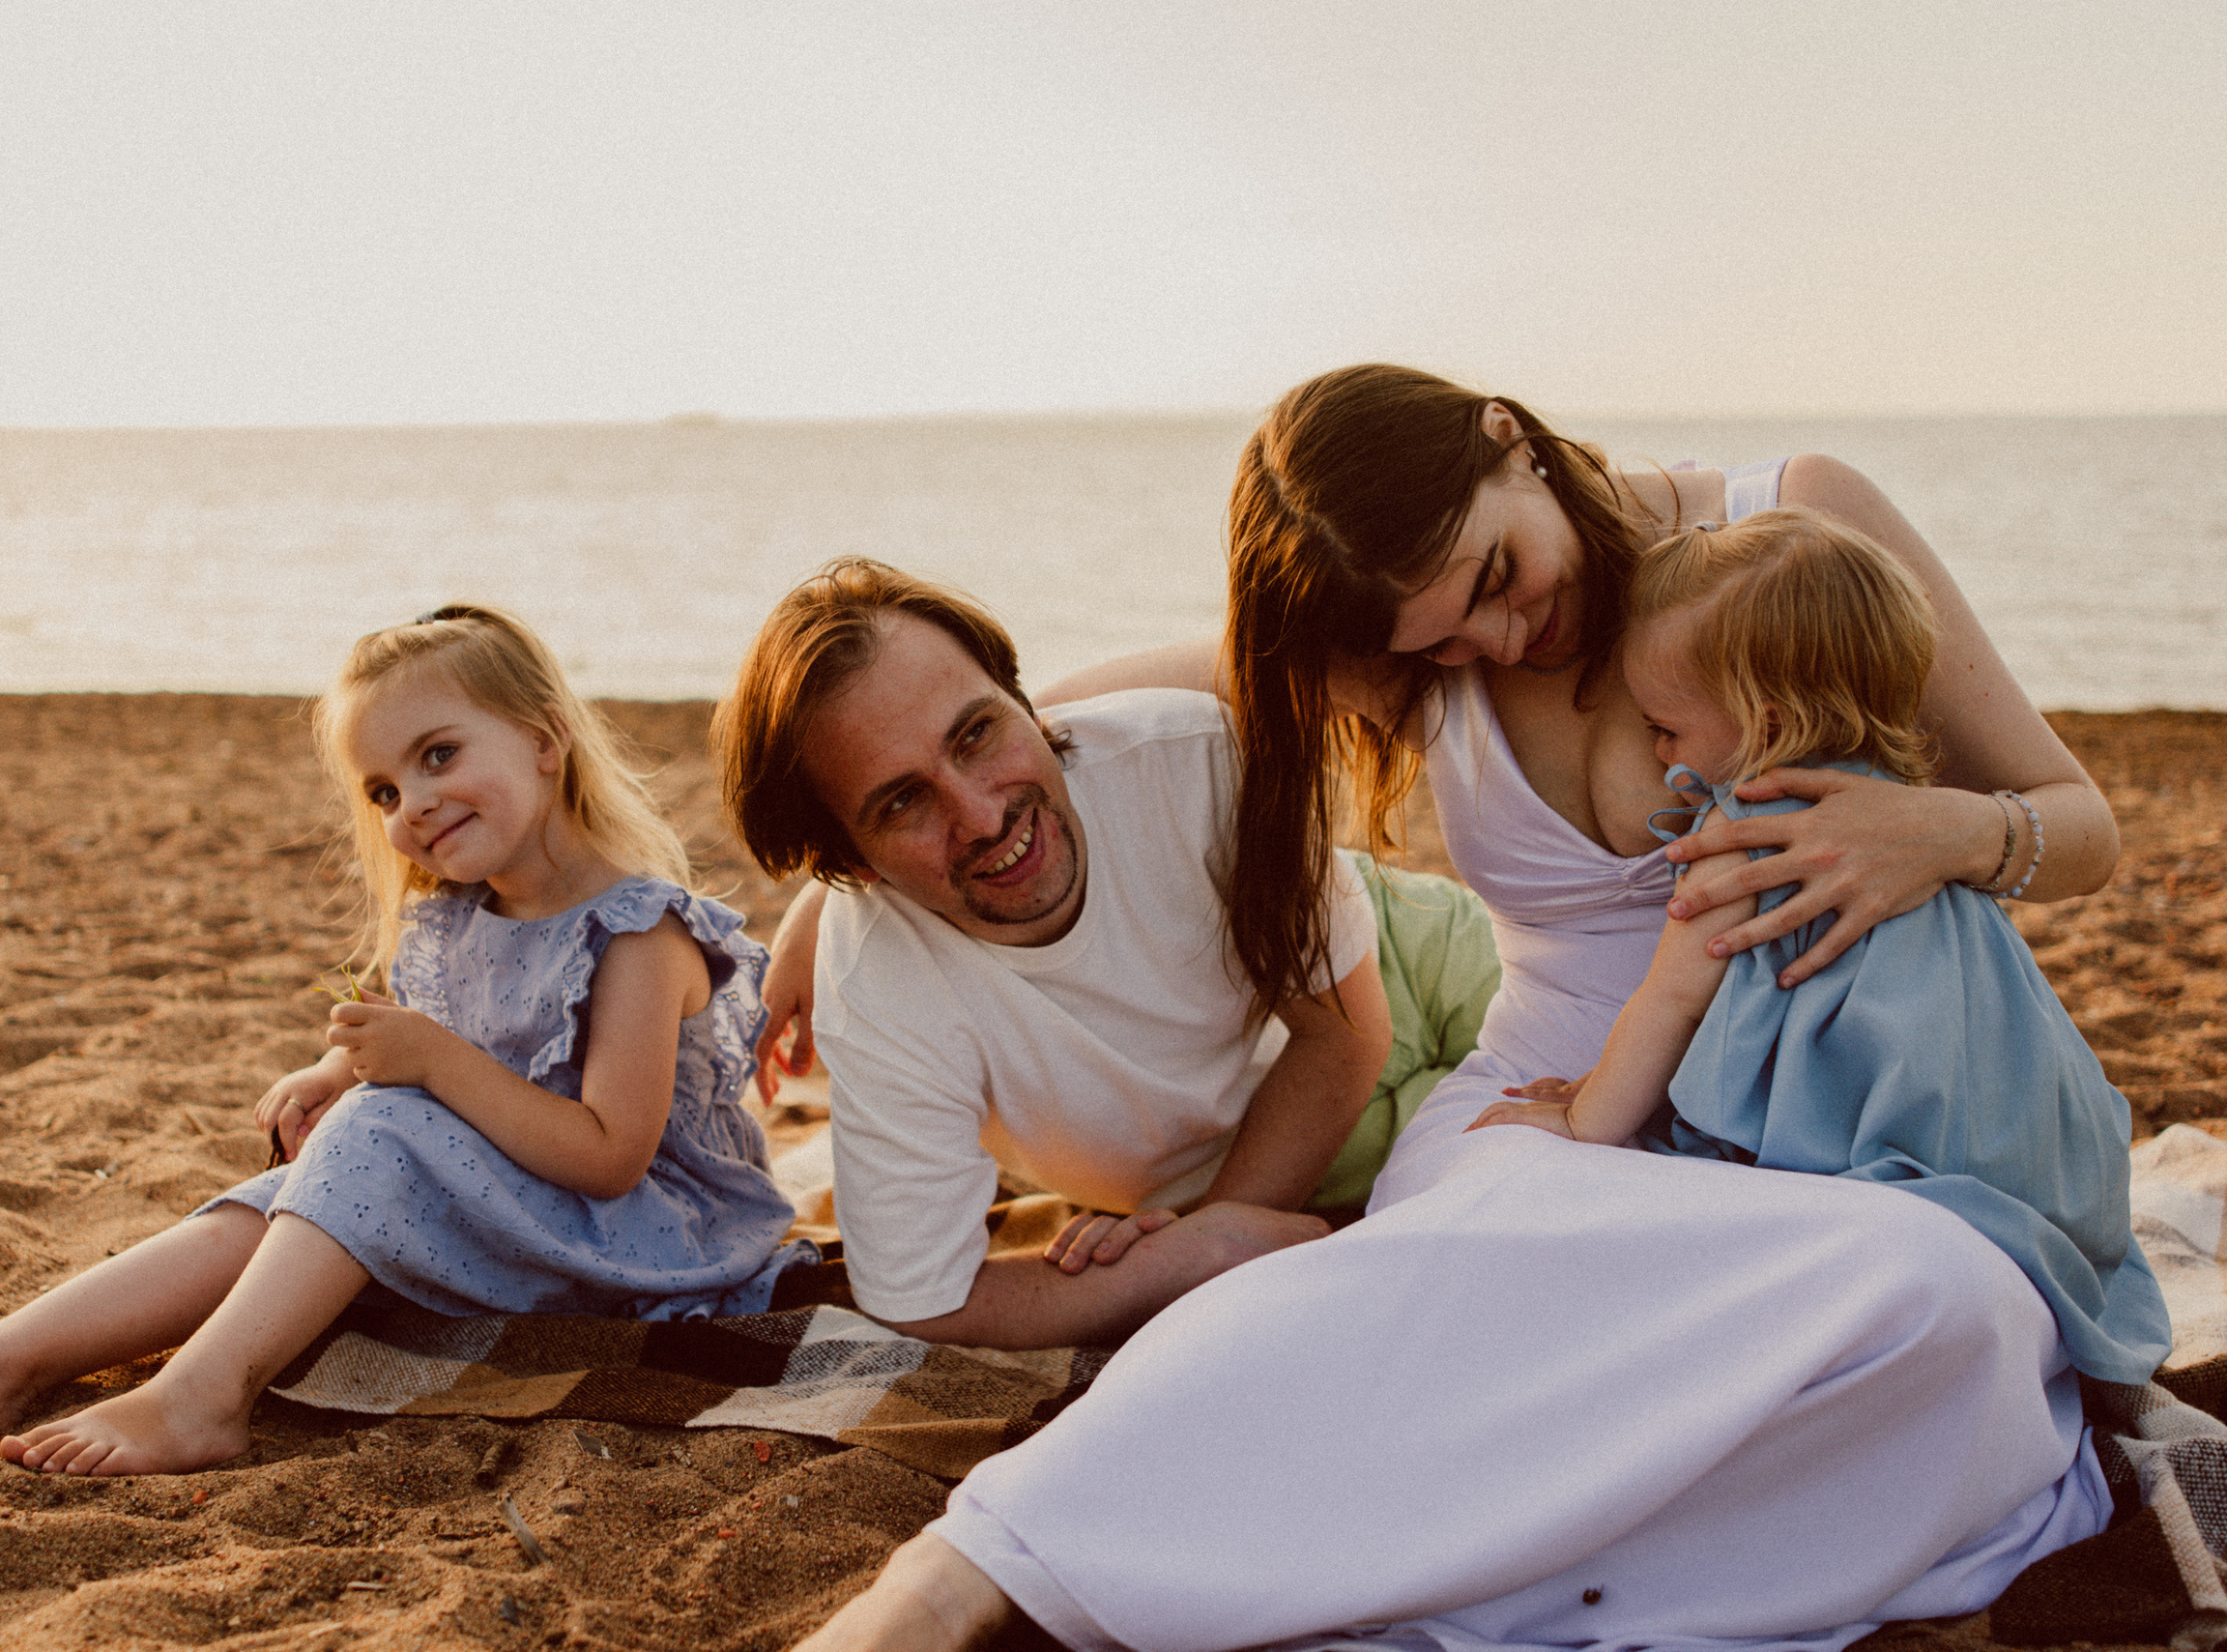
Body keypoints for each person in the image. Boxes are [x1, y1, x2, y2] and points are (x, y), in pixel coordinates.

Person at [795, 364, 2123, 1652]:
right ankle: (986, 1559)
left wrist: (1937, 831)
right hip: (1539, 1117)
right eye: (1440, 638)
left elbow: (2084, 826)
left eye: (1496, 576)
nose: (1500, 639)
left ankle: (1501, 1578)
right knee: (1425, 1277)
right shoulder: (1413, 646)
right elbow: (1064, 709)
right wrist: (837, 887)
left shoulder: (1790, 523)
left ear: (1510, 437)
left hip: (1812, 1132)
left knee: (1954, 1303)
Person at [0, 604, 809, 1476]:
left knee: (381, 1132)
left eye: (439, 755)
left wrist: (426, 1068)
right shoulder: (459, 916)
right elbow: (416, 1039)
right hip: (528, 1206)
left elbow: (607, 1155)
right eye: (382, 789)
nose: (412, 804)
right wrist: (335, 1068)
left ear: (545, 740)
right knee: (290, 1190)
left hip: (647, 1245)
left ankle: (203, 1394)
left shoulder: (637, 931)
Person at [717, 559, 1499, 1349]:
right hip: (1298, 1158)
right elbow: (923, 1301)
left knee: (1617, 1128)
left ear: (1023, 700)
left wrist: (1214, 1234)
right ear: (856, 865)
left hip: (1414, 973)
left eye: (978, 732)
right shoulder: (878, 983)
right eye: (903, 800)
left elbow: (1345, 1032)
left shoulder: (1197, 757)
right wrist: (1194, 1250)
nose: (983, 815)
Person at [1468, 507, 2166, 1386]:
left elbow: (1671, 1001)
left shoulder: (1738, 835)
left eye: (1666, 727)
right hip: (2018, 1134)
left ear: (1759, 718)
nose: (1658, 746)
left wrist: (1584, 1114)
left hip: (1876, 1147)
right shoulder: (1904, 810)